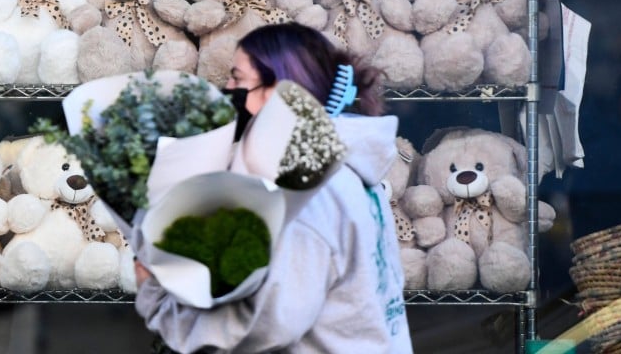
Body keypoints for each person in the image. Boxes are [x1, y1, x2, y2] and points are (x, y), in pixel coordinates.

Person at [134, 22, 413, 353]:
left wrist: (157, 298)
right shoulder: (349, 172)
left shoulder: (309, 189)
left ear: (279, 90)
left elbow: (269, 326)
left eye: (238, 78)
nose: (227, 88)